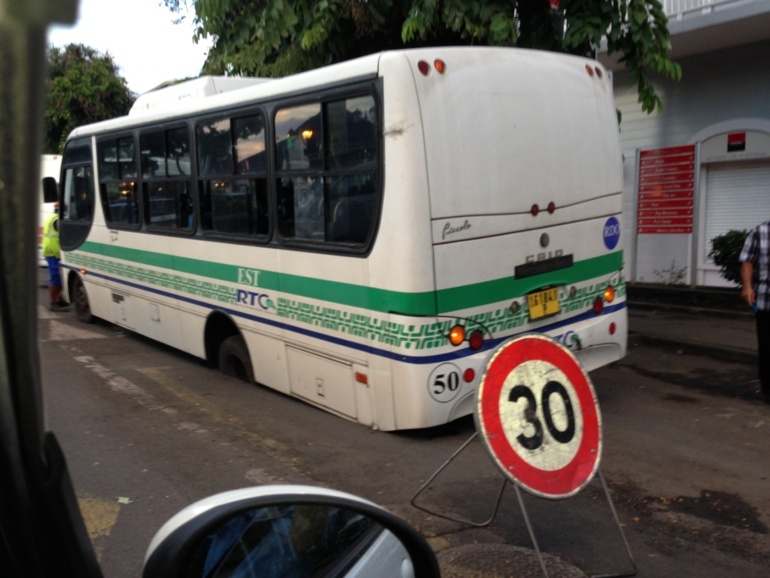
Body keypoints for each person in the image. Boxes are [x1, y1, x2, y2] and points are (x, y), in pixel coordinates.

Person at [739, 220, 770, 404]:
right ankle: (768, 388)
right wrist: (747, 286)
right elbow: (747, 259)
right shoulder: (760, 231)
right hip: (766, 300)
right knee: (767, 347)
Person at [42, 208, 69, 311]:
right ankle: (53, 303)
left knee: (61, 277)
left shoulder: (51, 217)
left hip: (53, 251)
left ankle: (59, 299)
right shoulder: (57, 220)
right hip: (53, 253)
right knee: (56, 277)